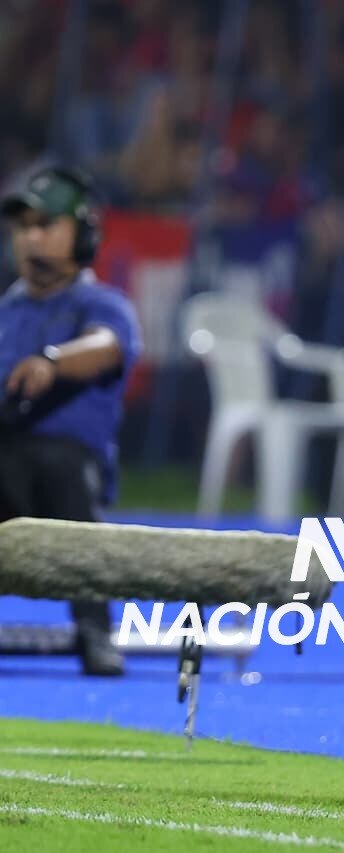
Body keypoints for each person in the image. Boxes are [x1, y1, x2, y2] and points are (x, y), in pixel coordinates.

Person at [0, 166, 143, 676]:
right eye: (23, 227)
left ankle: (94, 627)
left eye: (46, 225)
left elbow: (107, 346)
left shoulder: (101, 304)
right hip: (5, 464)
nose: (30, 238)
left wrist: (53, 362)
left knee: (60, 466)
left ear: (81, 234)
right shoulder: (6, 310)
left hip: (68, 472)